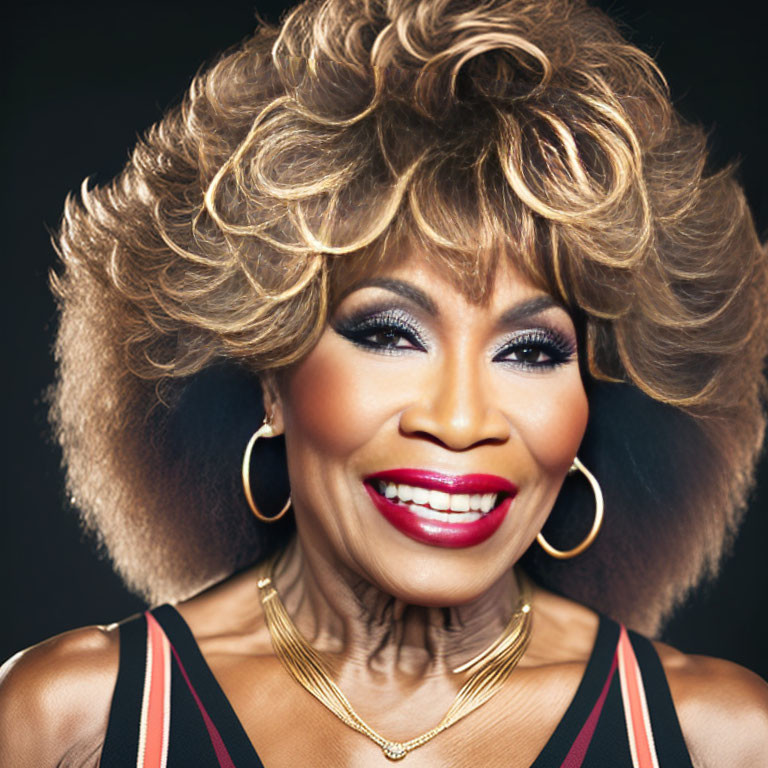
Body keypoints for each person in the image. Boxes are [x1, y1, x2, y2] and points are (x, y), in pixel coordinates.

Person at [1, 0, 767, 765]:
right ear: (271, 378)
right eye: (389, 334)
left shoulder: (718, 737)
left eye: (531, 350)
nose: (461, 421)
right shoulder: (72, 723)